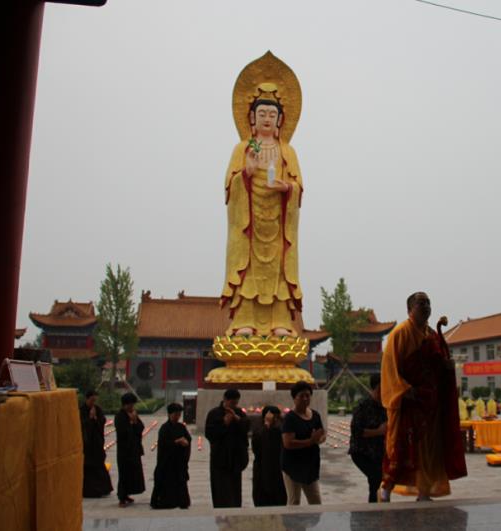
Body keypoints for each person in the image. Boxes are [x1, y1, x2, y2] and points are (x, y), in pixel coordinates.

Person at [220, 77, 304, 338]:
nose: (267, 118)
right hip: (250, 224)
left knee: (278, 269)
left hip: (278, 224)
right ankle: (245, 320)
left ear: (280, 120)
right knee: (248, 271)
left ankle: (280, 321)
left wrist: (287, 189)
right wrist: (246, 172)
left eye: (272, 114)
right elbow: (229, 186)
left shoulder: (287, 151)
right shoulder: (243, 148)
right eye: (262, 113)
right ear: (252, 118)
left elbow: (299, 185)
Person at [380, 292, 467, 501]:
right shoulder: (400, 333)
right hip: (408, 401)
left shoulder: (431, 335)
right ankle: (385, 489)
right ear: (410, 309)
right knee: (400, 446)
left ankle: (424, 491)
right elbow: (389, 368)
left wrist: (447, 367)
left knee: (429, 449)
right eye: (421, 303)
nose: (426, 306)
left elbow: (436, 367)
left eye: (428, 302)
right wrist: (404, 390)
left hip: (429, 404)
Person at [281, 381, 326, 505]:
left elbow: (321, 435)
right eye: (301, 396)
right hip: (293, 465)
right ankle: (292, 524)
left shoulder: (315, 415)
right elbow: (288, 443)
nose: (305, 398)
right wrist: (310, 441)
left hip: (310, 464)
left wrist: (318, 439)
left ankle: (317, 524)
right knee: (294, 501)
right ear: (294, 398)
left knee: (316, 500)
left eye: (308, 395)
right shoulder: (290, 418)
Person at [205, 388, 250, 508]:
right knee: (221, 492)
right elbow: (210, 434)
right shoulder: (214, 413)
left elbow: (246, 427)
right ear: (225, 400)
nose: (234, 405)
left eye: (236, 403)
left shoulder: (239, 412)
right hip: (220, 458)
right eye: (232, 403)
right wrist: (224, 423)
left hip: (236, 458)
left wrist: (237, 419)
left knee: (235, 492)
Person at [349, 373, 387, 503]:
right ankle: (374, 509)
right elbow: (357, 432)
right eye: (380, 389)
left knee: (379, 481)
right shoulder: (363, 406)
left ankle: (377, 508)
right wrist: (379, 431)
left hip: (379, 452)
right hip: (362, 452)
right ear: (374, 388)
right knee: (376, 477)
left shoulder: (386, 406)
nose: (383, 392)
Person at [150, 403, 191, 509]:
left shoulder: (181, 426)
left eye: (179, 414)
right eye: (175, 414)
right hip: (167, 462)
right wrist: (176, 441)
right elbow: (163, 444)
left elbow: (188, 439)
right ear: (169, 414)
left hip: (179, 461)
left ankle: (181, 501)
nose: (177, 417)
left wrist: (186, 442)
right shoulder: (164, 428)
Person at [80, 389, 113, 498]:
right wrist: (90, 418)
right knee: (88, 468)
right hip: (87, 444)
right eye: (91, 400)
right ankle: (89, 491)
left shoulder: (97, 409)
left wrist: (95, 418)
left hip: (97, 443)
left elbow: (102, 421)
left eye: (95, 400)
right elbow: (81, 425)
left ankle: (102, 489)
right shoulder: (82, 410)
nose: (93, 403)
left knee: (99, 466)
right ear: (87, 399)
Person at [252, 405, 287, 507]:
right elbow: (257, 449)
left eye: (276, 417)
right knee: (262, 497)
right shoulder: (259, 429)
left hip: (277, 469)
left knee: (278, 497)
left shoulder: (280, 429)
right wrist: (267, 425)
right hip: (261, 468)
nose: (275, 420)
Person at [114, 392, 145, 507]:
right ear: (125, 404)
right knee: (124, 474)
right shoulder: (120, 416)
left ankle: (127, 494)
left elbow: (141, 427)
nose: (132, 407)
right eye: (130, 405)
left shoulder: (133, 414)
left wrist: (135, 421)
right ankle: (122, 497)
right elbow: (123, 433)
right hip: (124, 450)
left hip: (134, 449)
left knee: (133, 473)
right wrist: (132, 422)